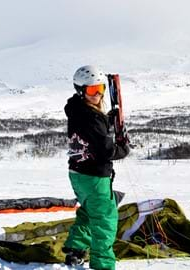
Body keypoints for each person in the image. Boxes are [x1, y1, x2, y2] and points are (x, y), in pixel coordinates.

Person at [62, 65, 130, 270]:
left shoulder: (76, 110)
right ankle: (103, 265)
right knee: (105, 221)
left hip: (78, 174)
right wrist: (123, 149)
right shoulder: (91, 117)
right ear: (81, 91)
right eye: (92, 90)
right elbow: (106, 151)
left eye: (100, 88)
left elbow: (92, 132)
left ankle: (75, 249)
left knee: (89, 212)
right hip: (94, 176)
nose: (98, 94)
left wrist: (107, 120)